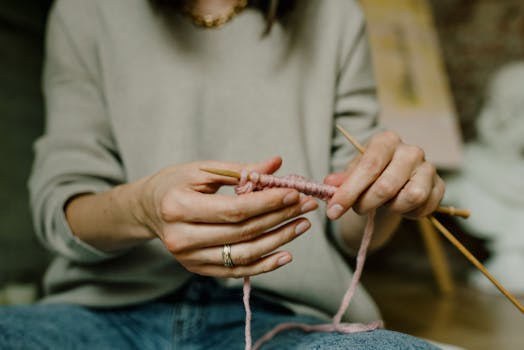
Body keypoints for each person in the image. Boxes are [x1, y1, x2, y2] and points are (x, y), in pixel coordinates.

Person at [0, 0, 445, 348]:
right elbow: (61, 209)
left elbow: (348, 224)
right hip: (99, 316)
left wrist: (385, 192)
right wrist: (142, 209)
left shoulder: (335, 15)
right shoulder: (85, 11)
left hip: (288, 321)